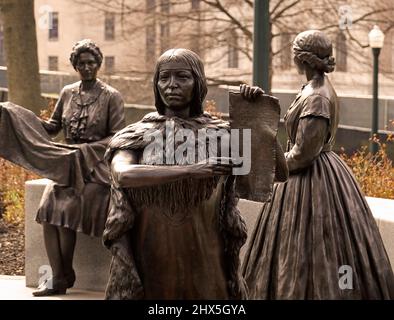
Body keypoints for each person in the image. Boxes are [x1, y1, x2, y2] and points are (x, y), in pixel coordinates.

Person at [102, 48, 285, 299]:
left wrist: (257, 117)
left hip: (207, 259)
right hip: (152, 256)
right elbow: (123, 174)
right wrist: (192, 170)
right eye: (164, 78)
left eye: (182, 77)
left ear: (198, 82)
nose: (172, 85)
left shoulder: (221, 134)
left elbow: (278, 172)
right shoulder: (137, 134)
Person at [241, 30, 394, 299]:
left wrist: (267, 164)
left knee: (308, 250)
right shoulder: (312, 89)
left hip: (311, 180)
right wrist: (256, 101)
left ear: (303, 59)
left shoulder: (317, 97)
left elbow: (302, 155)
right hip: (314, 174)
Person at [0, 39, 125, 296]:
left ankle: (62, 277)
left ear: (98, 64)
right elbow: (53, 126)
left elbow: (116, 137)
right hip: (67, 165)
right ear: (75, 66)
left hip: (95, 168)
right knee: (47, 212)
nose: (86, 67)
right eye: (81, 63)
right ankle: (60, 276)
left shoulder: (112, 96)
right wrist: (16, 115)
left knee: (65, 212)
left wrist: (85, 151)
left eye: (91, 62)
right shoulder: (68, 92)